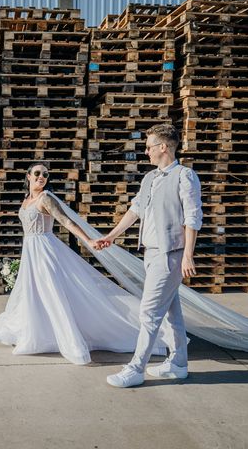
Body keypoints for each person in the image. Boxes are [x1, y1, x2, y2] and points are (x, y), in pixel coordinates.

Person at [0, 162, 168, 365]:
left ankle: (71, 338)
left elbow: (67, 222)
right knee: (33, 292)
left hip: (45, 249)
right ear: (28, 176)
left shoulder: (46, 198)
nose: (41, 177)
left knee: (51, 292)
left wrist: (89, 241)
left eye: (45, 174)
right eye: (37, 173)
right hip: (31, 250)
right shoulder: (27, 199)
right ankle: (34, 333)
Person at [94, 123, 203, 388]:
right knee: (171, 314)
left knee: (149, 312)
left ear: (163, 147)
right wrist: (111, 235)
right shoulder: (150, 178)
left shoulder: (184, 176)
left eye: (149, 146)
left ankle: (136, 368)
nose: (146, 152)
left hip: (172, 254)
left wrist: (188, 255)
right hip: (151, 254)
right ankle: (178, 364)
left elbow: (193, 217)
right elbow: (136, 210)